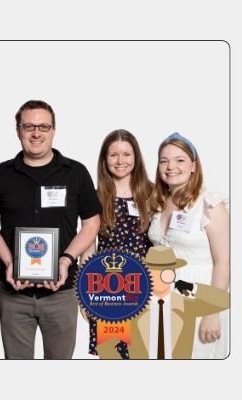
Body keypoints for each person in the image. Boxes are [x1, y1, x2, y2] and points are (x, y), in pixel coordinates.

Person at [0, 100, 101, 359]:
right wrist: (10, 260)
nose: (36, 133)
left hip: (62, 290)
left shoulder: (76, 173)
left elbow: (91, 223)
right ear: (18, 130)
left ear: (53, 130)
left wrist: (66, 260)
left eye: (43, 126)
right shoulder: (1, 174)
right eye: (29, 126)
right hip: (14, 292)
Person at [147, 132, 229, 359]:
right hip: (163, 299)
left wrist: (212, 312)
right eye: (164, 160)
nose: (171, 166)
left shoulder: (209, 205)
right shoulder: (159, 204)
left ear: (194, 166)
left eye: (179, 160)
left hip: (200, 299)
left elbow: (224, 262)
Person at [81, 129, 154, 358]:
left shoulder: (152, 193)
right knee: (112, 354)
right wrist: (85, 296)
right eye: (114, 155)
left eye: (126, 154)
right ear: (105, 159)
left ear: (136, 157)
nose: (120, 161)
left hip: (146, 288)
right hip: (108, 290)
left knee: (144, 353)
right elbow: (88, 245)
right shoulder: (95, 196)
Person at [95, 246, 229, 359]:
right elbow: (105, 344)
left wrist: (193, 287)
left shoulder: (185, 305)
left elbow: (223, 300)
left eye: (165, 271)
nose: (159, 276)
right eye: (153, 271)